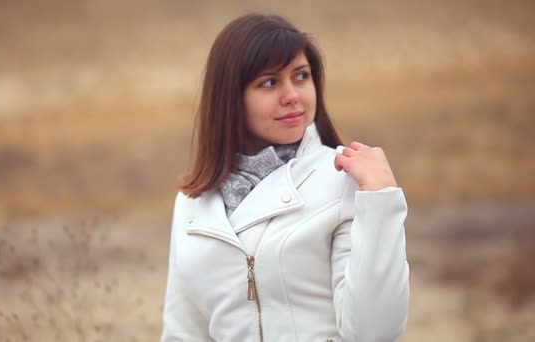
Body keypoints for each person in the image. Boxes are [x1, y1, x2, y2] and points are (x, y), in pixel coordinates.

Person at [161, 13, 409, 342]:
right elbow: (183, 332)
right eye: (269, 82)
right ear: (230, 97)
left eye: (301, 76)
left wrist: (380, 200)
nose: (292, 95)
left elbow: (375, 332)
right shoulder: (194, 201)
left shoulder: (343, 179)